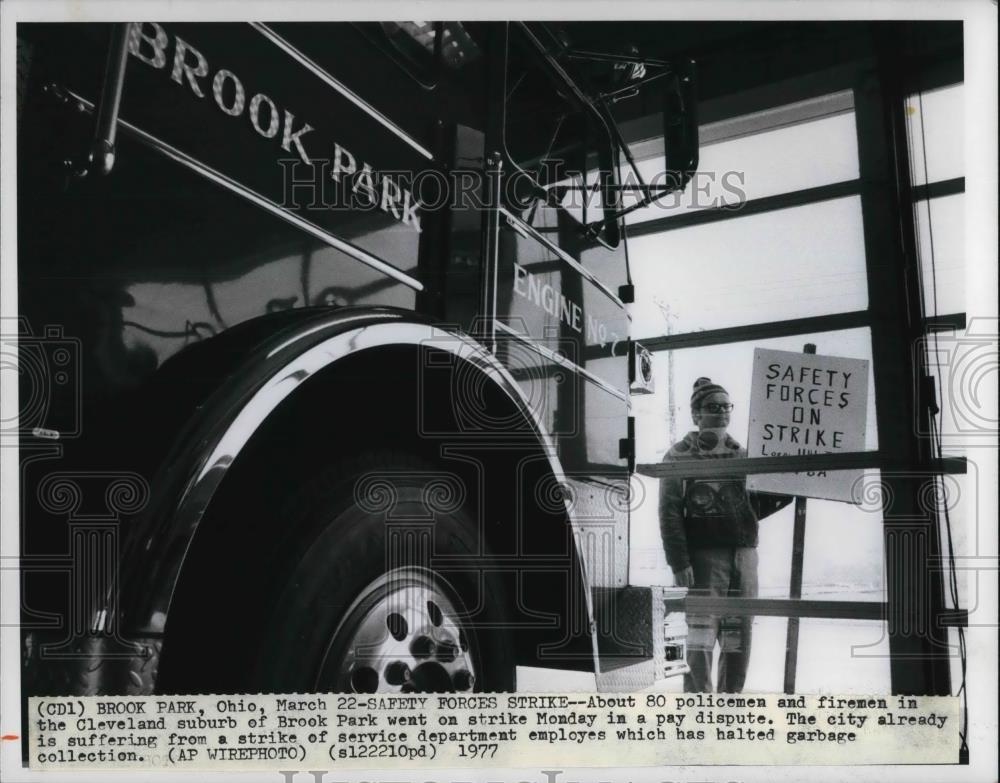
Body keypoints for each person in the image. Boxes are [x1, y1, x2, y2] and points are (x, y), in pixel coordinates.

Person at [658, 377, 788, 693]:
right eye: (713, 407)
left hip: (744, 555)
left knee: (738, 635)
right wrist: (679, 562)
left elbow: (754, 505)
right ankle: (698, 709)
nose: (722, 413)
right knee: (700, 637)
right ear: (696, 414)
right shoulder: (678, 456)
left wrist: (793, 486)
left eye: (726, 407)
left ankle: (729, 704)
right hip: (703, 558)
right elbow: (669, 512)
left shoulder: (743, 454)